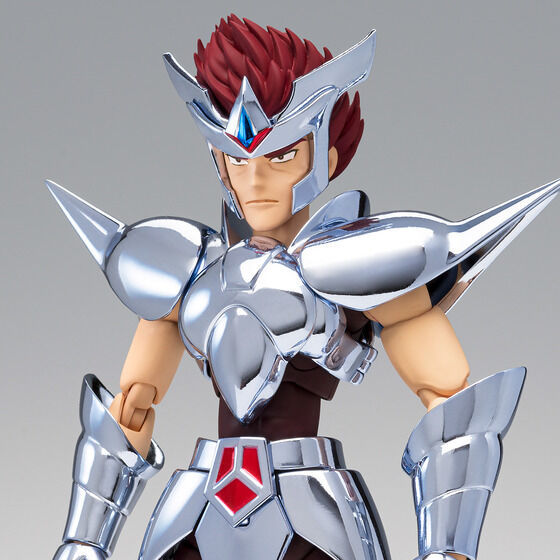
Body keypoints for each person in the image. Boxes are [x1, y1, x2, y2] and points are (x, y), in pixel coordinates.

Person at [50, 15, 558, 560]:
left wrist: (447, 549)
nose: (255, 180)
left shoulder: (354, 266)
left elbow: (451, 404)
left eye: (281, 155)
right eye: (237, 158)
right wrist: (84, 541)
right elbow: (130, 409)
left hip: (310, 510)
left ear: (326, 156)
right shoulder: (190, 272)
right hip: (201, 504)